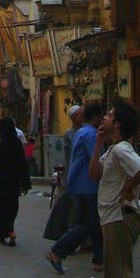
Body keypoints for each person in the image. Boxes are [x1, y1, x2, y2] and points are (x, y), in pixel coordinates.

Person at [88, 98, 140, 278]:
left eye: (110, 115)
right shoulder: (112, 149)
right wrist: (98, 143)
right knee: (112, 269)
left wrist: (128, 187)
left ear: (118, 123)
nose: (104, 117)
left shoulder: (123, 148)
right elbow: (94, 174)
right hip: (110, 216)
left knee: (119, 269)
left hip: (120, 216)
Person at [45, 102, 104, 274]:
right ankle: (57, 251)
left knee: (94, 223)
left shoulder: (80, 132)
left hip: (79, 183)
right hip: (88, 185)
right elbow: (97, 160)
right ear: (96, 117)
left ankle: (99, 260)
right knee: (88, 223)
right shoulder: (91, 135)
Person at [43, 104, 86, 243]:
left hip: (81, 174)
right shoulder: (70, 134)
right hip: (72, 173)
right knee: (70, 206)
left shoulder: (85, 131)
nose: (83, 117)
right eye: (80, 115)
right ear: (74, 118)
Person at [0, 116, 31, 246]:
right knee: (11, 205)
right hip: (13, 180)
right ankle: (10, 228)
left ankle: (3, 232)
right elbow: (22, 163)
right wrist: (25, 181)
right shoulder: (17, 142)